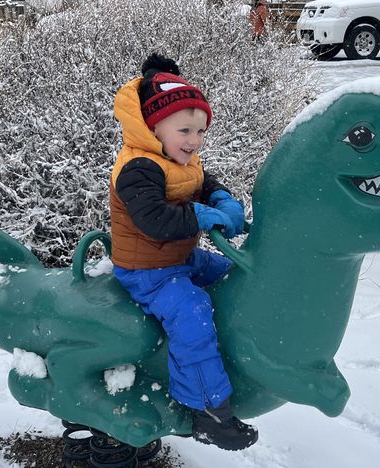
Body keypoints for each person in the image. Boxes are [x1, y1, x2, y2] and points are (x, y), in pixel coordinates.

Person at [109, 53, 259, 451]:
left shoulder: (180, 159)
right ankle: (208, 411)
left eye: (201, 131)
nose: (194, 141)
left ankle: (246, 352)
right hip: (147, 271)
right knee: (192, 312)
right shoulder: (137, 167)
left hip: (180, 259)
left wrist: (222, 199)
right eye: (185, 131)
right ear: (152, 126)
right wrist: (200, 214)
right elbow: (155, 220)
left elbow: (201, 183)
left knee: (233, 274)